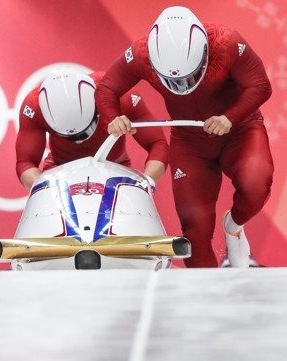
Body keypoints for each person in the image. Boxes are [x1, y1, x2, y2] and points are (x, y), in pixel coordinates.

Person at [95, 6, 274, 268]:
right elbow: (107, 88)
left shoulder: (227, 42)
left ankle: (233, 226)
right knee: (195, 230)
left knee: (256, 185)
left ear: (204, 54)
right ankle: (207, 302)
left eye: (190, 77)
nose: (182, 86)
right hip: (191, 144)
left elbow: (261, 85)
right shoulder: (141, 53)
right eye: (173, 81)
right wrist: (114, 118)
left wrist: (229, 117)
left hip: (239, 130)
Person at [16, 66, 169, 190]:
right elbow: (26, 162)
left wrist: (146, 183)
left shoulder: (120, 94)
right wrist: (44, 188)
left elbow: (157, 143)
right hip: (59, 172)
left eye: (86, 130)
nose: (79, 139)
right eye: (71, 137)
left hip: (115, 168)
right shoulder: (34, 107)